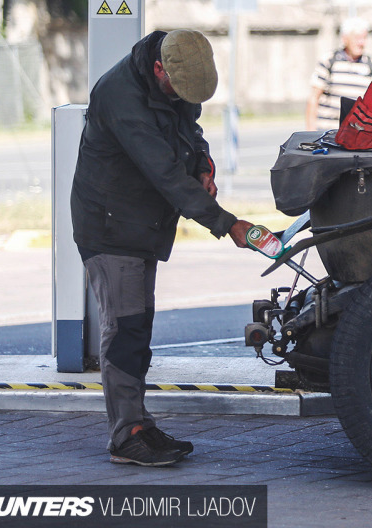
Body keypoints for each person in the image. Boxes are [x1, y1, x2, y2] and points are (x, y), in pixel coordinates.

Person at [71, 29, 254, 467]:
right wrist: (227, 224)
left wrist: (204, 164)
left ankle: (139, 424)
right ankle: (126, 435)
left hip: (141, 222)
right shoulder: (120, 97)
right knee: (125, 330)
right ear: (159, 69)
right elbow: (166, 175)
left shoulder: (176, 77)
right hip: (110, 226)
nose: (185, 99)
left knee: (138, 328)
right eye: (180, 91)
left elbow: (189, 131)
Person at [305, 17, 372, 131]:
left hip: (356, 133)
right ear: (345, 39)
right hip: (328, 131)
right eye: (357, 38)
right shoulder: (329, 61)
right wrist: (310, 132)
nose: (362, 43)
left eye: (364, 38)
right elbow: (314, 98)